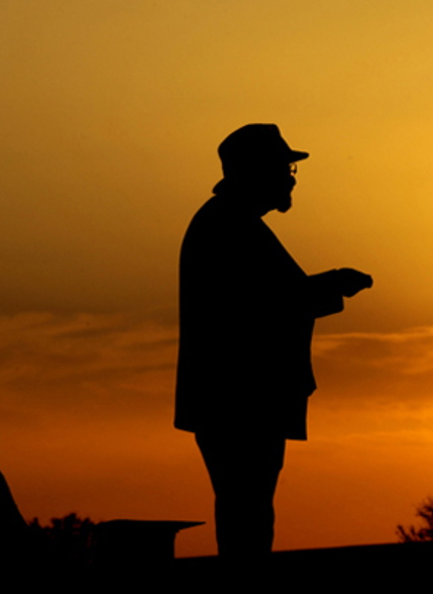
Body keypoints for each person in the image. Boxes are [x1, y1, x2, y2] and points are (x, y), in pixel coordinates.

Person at [176, 124, 373, 558]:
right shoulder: (229, 226)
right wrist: (334, 284)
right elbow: (264, 305)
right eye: (284, 168)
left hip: (236, 398)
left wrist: (328, 286)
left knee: (247, 509)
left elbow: (270, 300)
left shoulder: (230, 223)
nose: (290, 179)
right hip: (240, 398)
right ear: (256, 172)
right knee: (247, 513)